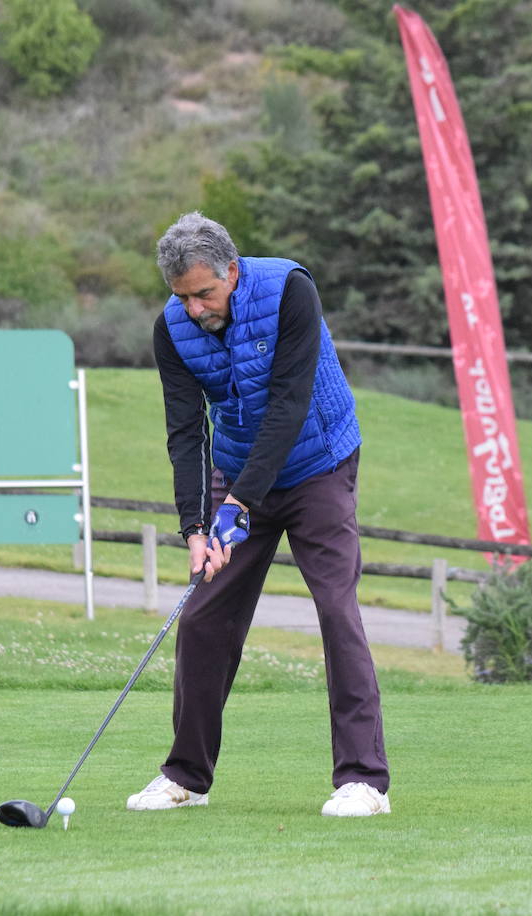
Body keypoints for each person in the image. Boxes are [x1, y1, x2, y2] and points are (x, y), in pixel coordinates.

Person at [127, 212, 391, 817]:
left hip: (318, 462)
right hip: (239, 472)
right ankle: (186, 777)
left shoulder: (291, 290)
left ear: (233, 272)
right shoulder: (172, 331)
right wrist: (196, 527)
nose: (194, 308)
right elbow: (186, 432)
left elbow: (289, 404)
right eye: (182, 297)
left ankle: (364, 782)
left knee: (335, 609)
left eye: (204, 293)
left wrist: (238, 505)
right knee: (202, 618)